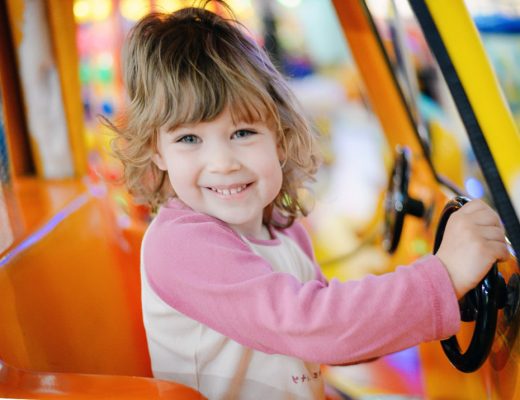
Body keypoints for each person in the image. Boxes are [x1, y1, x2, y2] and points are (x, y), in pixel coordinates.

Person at [109, 2, 510, 399]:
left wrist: (449, 297)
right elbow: (311, 326)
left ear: (280, 140)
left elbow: (325, 341)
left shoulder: (280, 227)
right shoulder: (181, 244)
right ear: (157, 151)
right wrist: (443, 276)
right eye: (189, 140)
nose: (222, 163)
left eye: (243, 133)